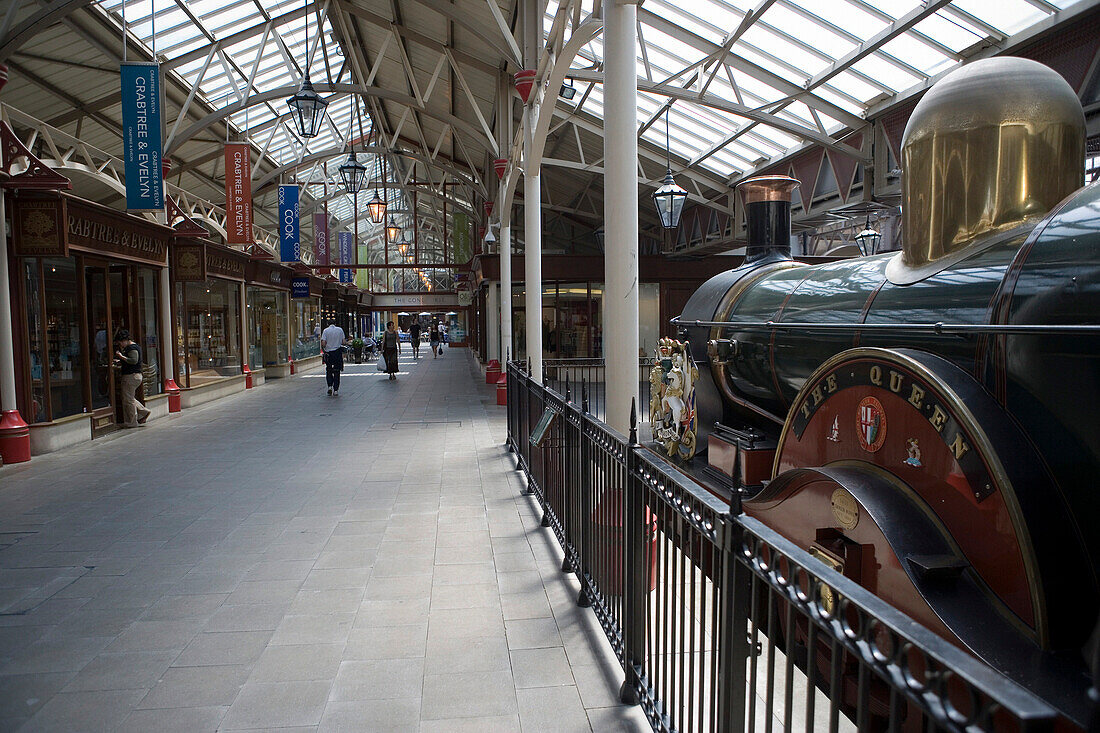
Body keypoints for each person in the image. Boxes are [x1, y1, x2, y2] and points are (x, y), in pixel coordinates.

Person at [113, 329, 150, 428]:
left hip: (131, 376)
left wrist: (121, 356)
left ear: (126, 340)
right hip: (135, 376)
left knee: (128, 400)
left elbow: (134, 360)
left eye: (121, 342)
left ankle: (131, 422)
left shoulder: (132, 348)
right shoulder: (133, 347)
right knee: (129, 398)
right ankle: (144, 412)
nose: (121, 345)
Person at [320, 319, 348, 396]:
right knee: (337, 371)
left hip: (329, 353)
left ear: (328, 324)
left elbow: (323, 343)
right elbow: (343, 342)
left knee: (329, 370)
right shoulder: (340, 330)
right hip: (337, 353)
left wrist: (326, 347)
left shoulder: (325, 331)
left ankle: (329, 386)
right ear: (335, 323)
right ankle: (336, 389)